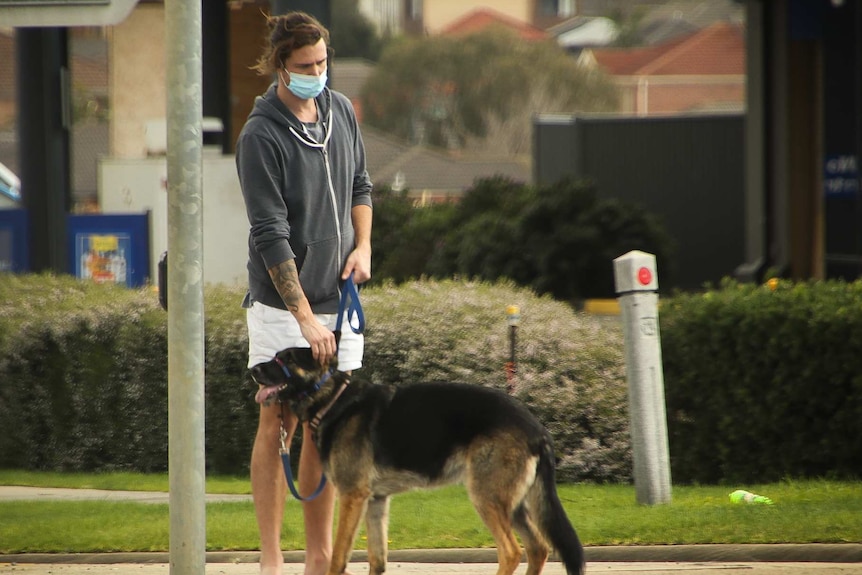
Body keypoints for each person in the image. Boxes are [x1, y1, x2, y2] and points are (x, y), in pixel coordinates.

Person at [235, 11, 373, 575]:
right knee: (278, 421)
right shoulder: (260, 135)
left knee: (326, 423)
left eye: (322, 62)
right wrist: (304, 320)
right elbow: (271, 234)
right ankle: (272, 559)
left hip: (339, 301)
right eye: (305, 66)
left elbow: (361, 184)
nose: (317, 72)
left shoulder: (338, 110)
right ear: (279, 66)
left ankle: (320, 558)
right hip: (282, 309)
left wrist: (363, 247)